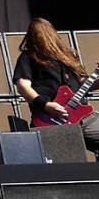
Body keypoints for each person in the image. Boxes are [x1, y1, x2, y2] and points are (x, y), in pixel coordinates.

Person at [12, 17, 99, 152]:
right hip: (51, 118)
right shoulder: (28, 57)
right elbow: (23, 85)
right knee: (59, 159)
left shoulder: (68, 56)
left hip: (82, 115)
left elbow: (85, 83)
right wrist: (45, 105)